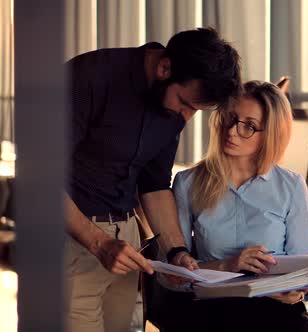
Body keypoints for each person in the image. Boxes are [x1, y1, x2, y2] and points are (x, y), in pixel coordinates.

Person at [64, 27, 241, 332]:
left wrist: (177, 251)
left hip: (126, 242)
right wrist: (99, 242)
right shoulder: (87, 76)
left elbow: (155, 184)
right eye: (186, 104)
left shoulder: (175, 104)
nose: (186, 117)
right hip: (68, 237)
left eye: (197, 110)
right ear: (164, 68)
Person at [159, 81, 308, 331]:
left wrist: (300, 291)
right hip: (212, 312)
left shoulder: (291, 185)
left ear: (270, 135)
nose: (231, 131)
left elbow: (306, 269)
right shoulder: (188, 183)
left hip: (275, 312)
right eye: (229, 119)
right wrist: (226, 266)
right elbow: (171, 277)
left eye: (249, 127)